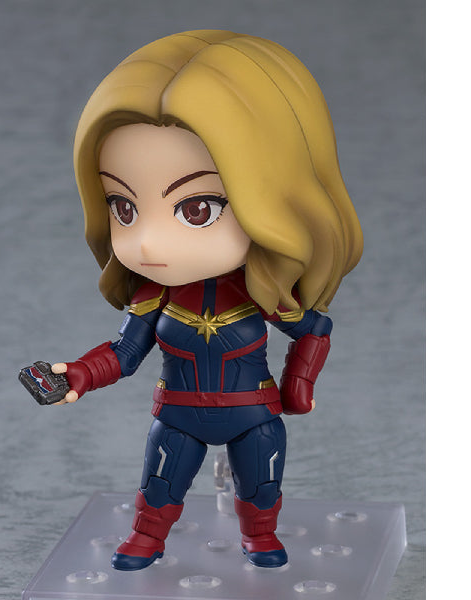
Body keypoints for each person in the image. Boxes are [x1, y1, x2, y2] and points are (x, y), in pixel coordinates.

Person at [49, 30, 363, 571]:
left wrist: (299, 385)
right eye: (123, 208)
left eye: (197, 209)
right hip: (178, 413)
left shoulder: (261, 290)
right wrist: (77, 374)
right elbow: (124, 354)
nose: (148, 243)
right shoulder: (153, 295)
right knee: (159, 485)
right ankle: (147, 538)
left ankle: (259, 536)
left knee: (261, 486)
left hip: (253, 413)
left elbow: (314, 327)